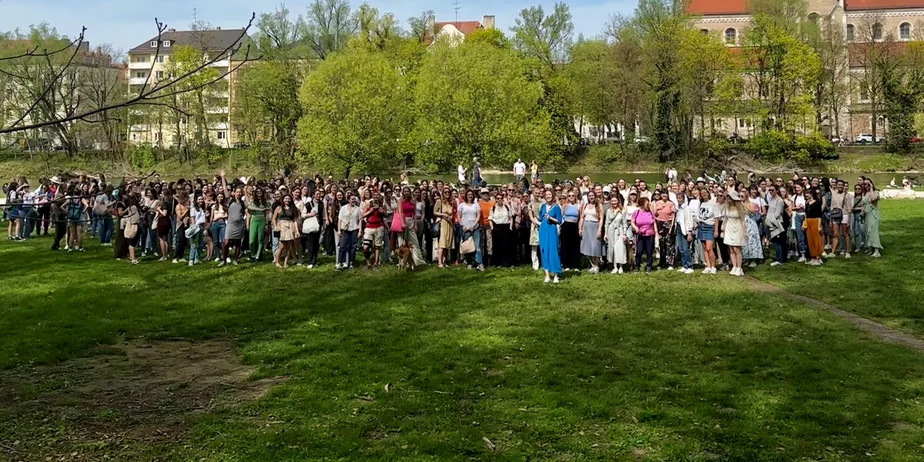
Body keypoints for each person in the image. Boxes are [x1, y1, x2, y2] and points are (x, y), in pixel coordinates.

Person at [537, 188, 562, 283]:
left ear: (553, 196)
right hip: (543, 229)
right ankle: (547, 275)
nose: (548, 196)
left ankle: (556, 274)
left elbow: (559, 220)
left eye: (550, 194)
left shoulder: (556, 207)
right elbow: (540, 217)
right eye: (546, 195)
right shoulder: (543, 206)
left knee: (553, 250)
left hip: (551, 229)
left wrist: (551, 218)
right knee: (543, 250)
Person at [721, 190, 746, 276]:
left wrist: (744, 231)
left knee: (736, 249)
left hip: (737, 228)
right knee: (731, 249)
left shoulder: (740, 207)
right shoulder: (727, 207)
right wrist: (723, 228)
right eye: (728, 197)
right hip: (729, 228)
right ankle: (734, 266)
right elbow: (725, 218)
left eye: (730, 197)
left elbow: (742, 220)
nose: (728, 199)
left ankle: (739, 267)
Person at [458, 189, 484, 271]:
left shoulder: (476, 205)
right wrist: (462, 225)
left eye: (471, 194)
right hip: (465, 229)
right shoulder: (461, 205)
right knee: (468, 246)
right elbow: (459, 216)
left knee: (477, 246)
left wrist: (474, 225)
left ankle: (479, 263)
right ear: (466, 195)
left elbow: (478, 216)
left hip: (475, 228)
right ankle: (469, 263)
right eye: (468, 194)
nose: (470, 196)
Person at [579, 191, 604, 273]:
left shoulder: (598, 205)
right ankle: (592, 265)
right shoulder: (585, 205)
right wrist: (580, 228)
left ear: (595, 196)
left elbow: (601, 218)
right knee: (587, 247)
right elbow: (582, 217)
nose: (591, 197)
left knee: (595, 247)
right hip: (586, 227)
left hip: (595, 226)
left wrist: (599, 230)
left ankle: (596, 265)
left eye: (592, 195)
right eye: (589, 196)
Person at [272, 194, 300, 268]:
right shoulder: (279, 208)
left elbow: (295, 220)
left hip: (290, 227)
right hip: (282, 227)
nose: (287, 200)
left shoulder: (293, 208)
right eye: (286, 198)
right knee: (281, 246)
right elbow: (274, 218)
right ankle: (277, 262)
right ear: (283, 199)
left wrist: (297, 231)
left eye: (289, 199)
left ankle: (285, 263)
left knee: (288, 247)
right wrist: (275, 227)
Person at [603, 194, 629, 274]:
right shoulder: (608, 211)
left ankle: (621, 267)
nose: (614, 202)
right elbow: (606, 223)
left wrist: (624, 234)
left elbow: (624, 223)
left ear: (618, 201)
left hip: (619, 231)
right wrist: (606, 234)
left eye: (615, 201)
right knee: (612, 249)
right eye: (612, 201)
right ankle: (615, 267)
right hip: (611, 231)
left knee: (620, 248)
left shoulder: (622, 211)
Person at [631, 197, 657, 273]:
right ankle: (637, 266)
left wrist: (656, 233)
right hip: (640, 234)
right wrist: (635, 227)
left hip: (650, 234)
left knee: (649, 251)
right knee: (639, 251)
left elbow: (654, 222)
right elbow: (632, 222)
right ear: (642, 204)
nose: (648, 205)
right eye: (647, 204)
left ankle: (649, 266)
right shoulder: (636, 212)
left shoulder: (650, 212)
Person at [652, 191, 676, 270]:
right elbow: (654, 215)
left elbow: (673, 216)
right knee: (661, 245)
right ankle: (662, 263)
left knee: (669, 245)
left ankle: (670, 263)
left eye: (665, 194)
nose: (664, 195)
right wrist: (657, 209)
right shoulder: (657, 203)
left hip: (668, 224)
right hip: (660, 224)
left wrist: (671, 227)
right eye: (662, 194)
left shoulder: (671, 204)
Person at [766, 185, 789, 267]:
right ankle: (778, 257)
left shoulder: (780, 201)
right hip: (771, 222)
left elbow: (777, 213)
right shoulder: (772, 199)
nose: (771, 192)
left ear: (776, 191)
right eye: (769, 190)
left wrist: (769, 219)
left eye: (772, 190)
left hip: (778, 222)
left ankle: (780, 259)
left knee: (778, 241)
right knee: (775, 241)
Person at [337, 193, 361, 269]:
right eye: (352, 199)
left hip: (354, 229)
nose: (353, 201)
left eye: (354, 199)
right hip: (345, 229)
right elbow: (340, 220)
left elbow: (360, 220)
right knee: (342, 246)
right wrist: (339, 230)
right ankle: (340, 262)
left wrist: (360, 231)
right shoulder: (343, 208)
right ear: (348, 200)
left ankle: (351, 262)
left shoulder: (357, 209)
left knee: (353, 247)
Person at [488, 192, 513, 267]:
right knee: (497, 246)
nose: (499, 199)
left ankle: (506, 262)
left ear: (503, 199)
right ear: (496, 199)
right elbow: (490, 219)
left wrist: (510, 227)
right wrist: (492, 228)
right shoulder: (493, 208)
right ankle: (497, 263)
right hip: (497, 228)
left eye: (501, 198)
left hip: (505, 227)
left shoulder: (507, 207)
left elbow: (511, 218)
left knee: (506, 245)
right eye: (498, 198)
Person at [829, 179, 852, 258]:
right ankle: (833, 252)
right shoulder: (834, 194)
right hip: (835, 215)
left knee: (845, 233)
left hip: (844, 214)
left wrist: (849, 220)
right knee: (835, 234)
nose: (840, 186)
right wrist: (830, 219)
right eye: (839, 185)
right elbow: (832, 206)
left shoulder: (846, 195)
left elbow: (849, 208)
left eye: (841, 185)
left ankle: (847, 251)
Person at [247, 187, 270, 262]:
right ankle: (252, 254)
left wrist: (266, 224)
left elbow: (267, 214)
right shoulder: (252, 201)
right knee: (252, 240)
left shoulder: (266, 202)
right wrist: (261, 209)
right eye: (257, 191)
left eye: (260, 191)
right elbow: (249, 207)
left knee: (260, 239)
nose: (259, 192)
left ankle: (258, 256)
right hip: (254, 219)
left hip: (262, 220)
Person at [560, 191, 581, 271]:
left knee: (575, 245)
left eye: (573, 195)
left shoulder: (578, 206)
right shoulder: (564, 206)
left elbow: (580, 217)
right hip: (566, 226)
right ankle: (566, 265)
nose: (571, 197)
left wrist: (579, 227)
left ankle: (575, 265)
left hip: (575, 226)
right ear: (567, 197)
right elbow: (561, 216)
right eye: (569, 195)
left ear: (575, 197)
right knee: (565, 245)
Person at [674, 192, 695, 274]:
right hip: (679, 228)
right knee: (681, 249)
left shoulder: (687, 208)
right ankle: (684, 265)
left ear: (683, 199)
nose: (678, 200)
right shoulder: (678, 208)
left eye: (680, 198)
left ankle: (690, 266)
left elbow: (689, 220)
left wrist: (689, 231)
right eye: (677, 198)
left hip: (685, 229)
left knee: (686, 249)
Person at [434, 189, 454, 268]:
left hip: (450, 224)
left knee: (447, 243)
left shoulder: (451, 202)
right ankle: (440, 262)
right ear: (442, 193)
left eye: (448, 192)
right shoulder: (439, 201)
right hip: (443, 222)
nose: (447, 193)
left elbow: (453, 212)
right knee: (442, 243)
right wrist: (443, 215)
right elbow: (435, 212)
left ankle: (444, 261)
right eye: (445, 192)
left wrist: (451, 216)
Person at [803, 188, 824, 266]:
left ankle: (818, 258)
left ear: (812, 194)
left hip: (815, 222)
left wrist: (819, 226)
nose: (806, 195)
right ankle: (813, 258)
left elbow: (819, 215)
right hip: (808, 222)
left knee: (816, 240)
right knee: (810, 241)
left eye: (807, 193)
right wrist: (804, 223)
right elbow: (806, 214)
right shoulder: (807, 203)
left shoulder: (817, 203)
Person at [863, 179, 882, 258]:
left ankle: (877, 250)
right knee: (867, 231)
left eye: (868, 184)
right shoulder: (865, 193)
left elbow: (873, 199)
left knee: (873, 231)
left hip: (873, 214)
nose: (866, 186)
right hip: (866, 214)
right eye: (865, 184)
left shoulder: (875, 192)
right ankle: (870, 247)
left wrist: (871, 188)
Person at [850, 183, 867, 253]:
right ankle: (858, 246)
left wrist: (858, 208)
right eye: (856, 189)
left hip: (860, 215)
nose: (857, 190)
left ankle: (864, 245)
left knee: (862, 231)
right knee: (855, 231)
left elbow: (865, 207)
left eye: (859, 189)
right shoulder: (852, 198)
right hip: (853, 215)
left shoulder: (863, 198)